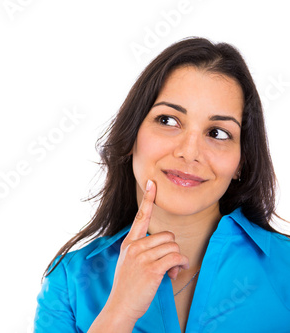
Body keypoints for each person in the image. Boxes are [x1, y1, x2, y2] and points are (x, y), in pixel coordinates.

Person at [33, 37, 290, 333]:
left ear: (241, 163)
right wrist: (119, 312)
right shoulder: (69, 283)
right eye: (168, 120)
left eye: (218, 133)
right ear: (131, 136)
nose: (190, 152)